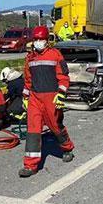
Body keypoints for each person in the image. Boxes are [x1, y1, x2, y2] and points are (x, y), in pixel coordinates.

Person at [19, 26, 74, 177]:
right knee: (33, 130)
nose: (38, 42)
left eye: (40, 39)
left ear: (47, 40)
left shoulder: (55, 55)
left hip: (51, 98)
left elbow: (63, 77)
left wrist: (61, 93)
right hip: (35, 98)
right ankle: (30, 165)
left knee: (56, 127)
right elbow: (28, 80)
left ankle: (67, 148)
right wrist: (25, 95)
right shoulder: (30, 58)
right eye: (35, 40)